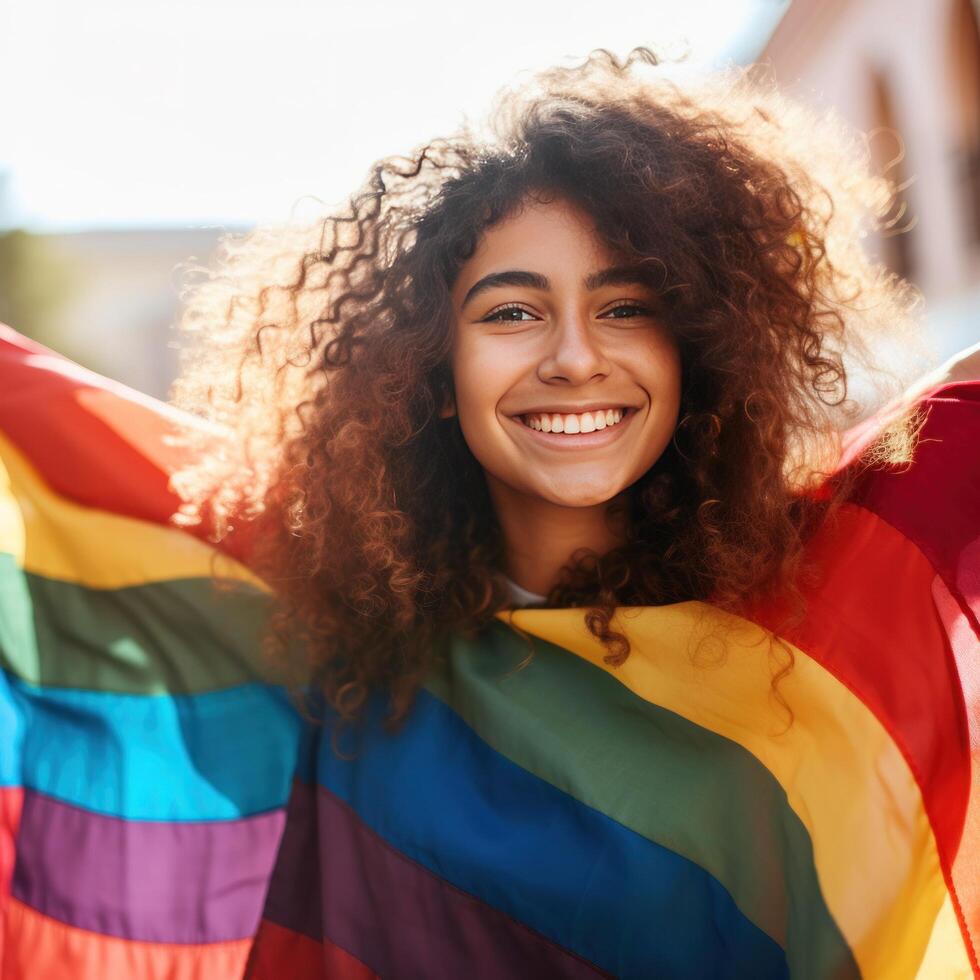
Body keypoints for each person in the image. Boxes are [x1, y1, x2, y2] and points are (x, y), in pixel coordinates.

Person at [0, 47, 976, 979]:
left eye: (625, 305)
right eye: (510, 312)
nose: (573, 356)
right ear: (430, 370)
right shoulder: (316, 634)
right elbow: (57, 455)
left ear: (696, 348)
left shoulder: (824, 605)